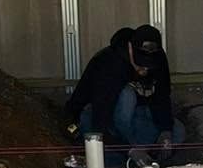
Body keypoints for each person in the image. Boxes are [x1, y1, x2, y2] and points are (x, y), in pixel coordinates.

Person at [65, 23, 184, 151]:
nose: (145, 69)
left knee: (177, 132)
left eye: (150, 66)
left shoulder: (159, 57)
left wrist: (165, 132)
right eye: (141, 64)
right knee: (127, 96)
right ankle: (122, 153)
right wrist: (129, 150)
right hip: (99, 117)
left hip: (135, 117)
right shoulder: (108, 63)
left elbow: (162, 97)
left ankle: (139, 153)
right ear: (130, 48)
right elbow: (100, 121)